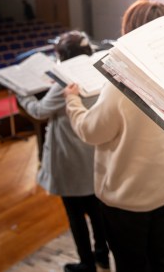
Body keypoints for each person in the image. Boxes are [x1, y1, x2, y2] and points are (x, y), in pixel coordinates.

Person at [63, 0, 164, 272]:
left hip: (130, 196)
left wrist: (72, 101)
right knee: (162, 254)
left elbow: (91, 131)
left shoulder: (122, 83)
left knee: (131, 263)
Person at [16, 31, 110, 272]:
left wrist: (21, 92)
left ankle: (86, 263)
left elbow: (38, 111)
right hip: (94, 153)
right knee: (97, 211)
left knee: (76, 215)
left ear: (64, 58)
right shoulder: (97, 71)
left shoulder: (65, 83)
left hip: (71, 158)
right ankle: (102, 255)